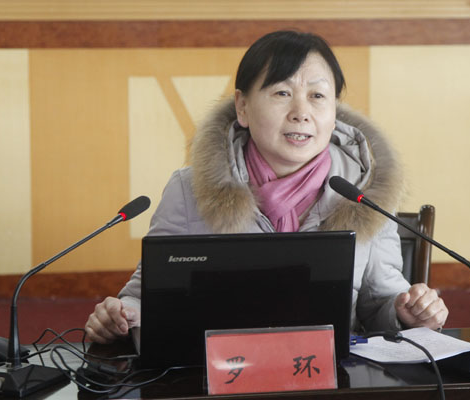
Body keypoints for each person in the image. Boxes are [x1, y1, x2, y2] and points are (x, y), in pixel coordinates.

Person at [85, 30, 448, 344]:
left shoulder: (365, 192)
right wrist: (122, 314)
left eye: (318, 96)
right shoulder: (189, 189)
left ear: (334, 110)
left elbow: (379, 302)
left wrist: (407, 312)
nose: (301, 112)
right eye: (281, 93)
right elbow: (145, 296)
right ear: (242, 107)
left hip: (329, 378)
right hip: (220, 377)